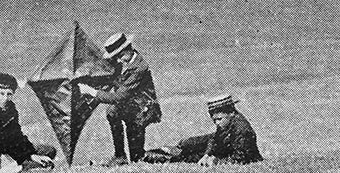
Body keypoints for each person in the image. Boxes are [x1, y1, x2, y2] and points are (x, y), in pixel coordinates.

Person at [0, 72, 56, 173]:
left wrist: (30, 152)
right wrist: (29, 155)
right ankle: (11, 168)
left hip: (8, 150)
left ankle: (20, 165)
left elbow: (17, 135)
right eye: (1, 94)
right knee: (40, 163)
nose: (5, 98)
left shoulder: (11, 109)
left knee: (49, 151)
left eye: (9, 94)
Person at [101, 32, 163, 165]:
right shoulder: (122, 62)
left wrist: (94, 93)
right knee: (112, 111)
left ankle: (156, 156)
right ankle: (120, 155)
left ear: (129, 49)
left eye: (120, 56)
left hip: (143, 108)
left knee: (137, 158)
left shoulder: (139, 67)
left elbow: (120, 96)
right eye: (115, 57)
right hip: (130, 105)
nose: (118, 60)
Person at [160, 95, 263, 165]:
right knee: (189, 143)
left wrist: (216, 161)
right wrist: (207, 154)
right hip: (224, 147)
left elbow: (242, 158)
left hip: (229, 152)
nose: (217, 123)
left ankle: (168, 155)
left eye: (219, 119)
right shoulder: (227, 123)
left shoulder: (242, 130)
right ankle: (175, 150)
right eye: (214, 120)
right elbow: (214, 139)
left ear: (231, 113)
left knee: (190, 157)